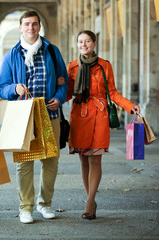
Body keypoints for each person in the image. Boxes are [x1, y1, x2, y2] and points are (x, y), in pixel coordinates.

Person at [0, 11, 68, 224]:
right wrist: (14, 88)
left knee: (51, 160)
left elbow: (63, 83)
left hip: (50, 113)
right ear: (21, 27)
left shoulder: (52, 51)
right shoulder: (11, 56)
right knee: (24, 163)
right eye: (27, 24)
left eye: (35, 24)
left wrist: (59, 98)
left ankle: (45, 204)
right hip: (23, 116)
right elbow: (2, 88)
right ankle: (25, 207)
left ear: (39, 26)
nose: (31, 28)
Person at [66, 30, 140, 220]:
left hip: (99, 115)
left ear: (94, 43)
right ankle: (89, 197)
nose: (84, 44)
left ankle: (90, 202)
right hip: (79, 115)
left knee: (95, 158)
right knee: (83, 158)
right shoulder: (72, 67)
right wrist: (52, 99)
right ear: (77, 45)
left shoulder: (105, 66)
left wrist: (130, 106)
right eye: (81, 41)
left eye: (88, 41)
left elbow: (113, 93)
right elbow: (66, 93)